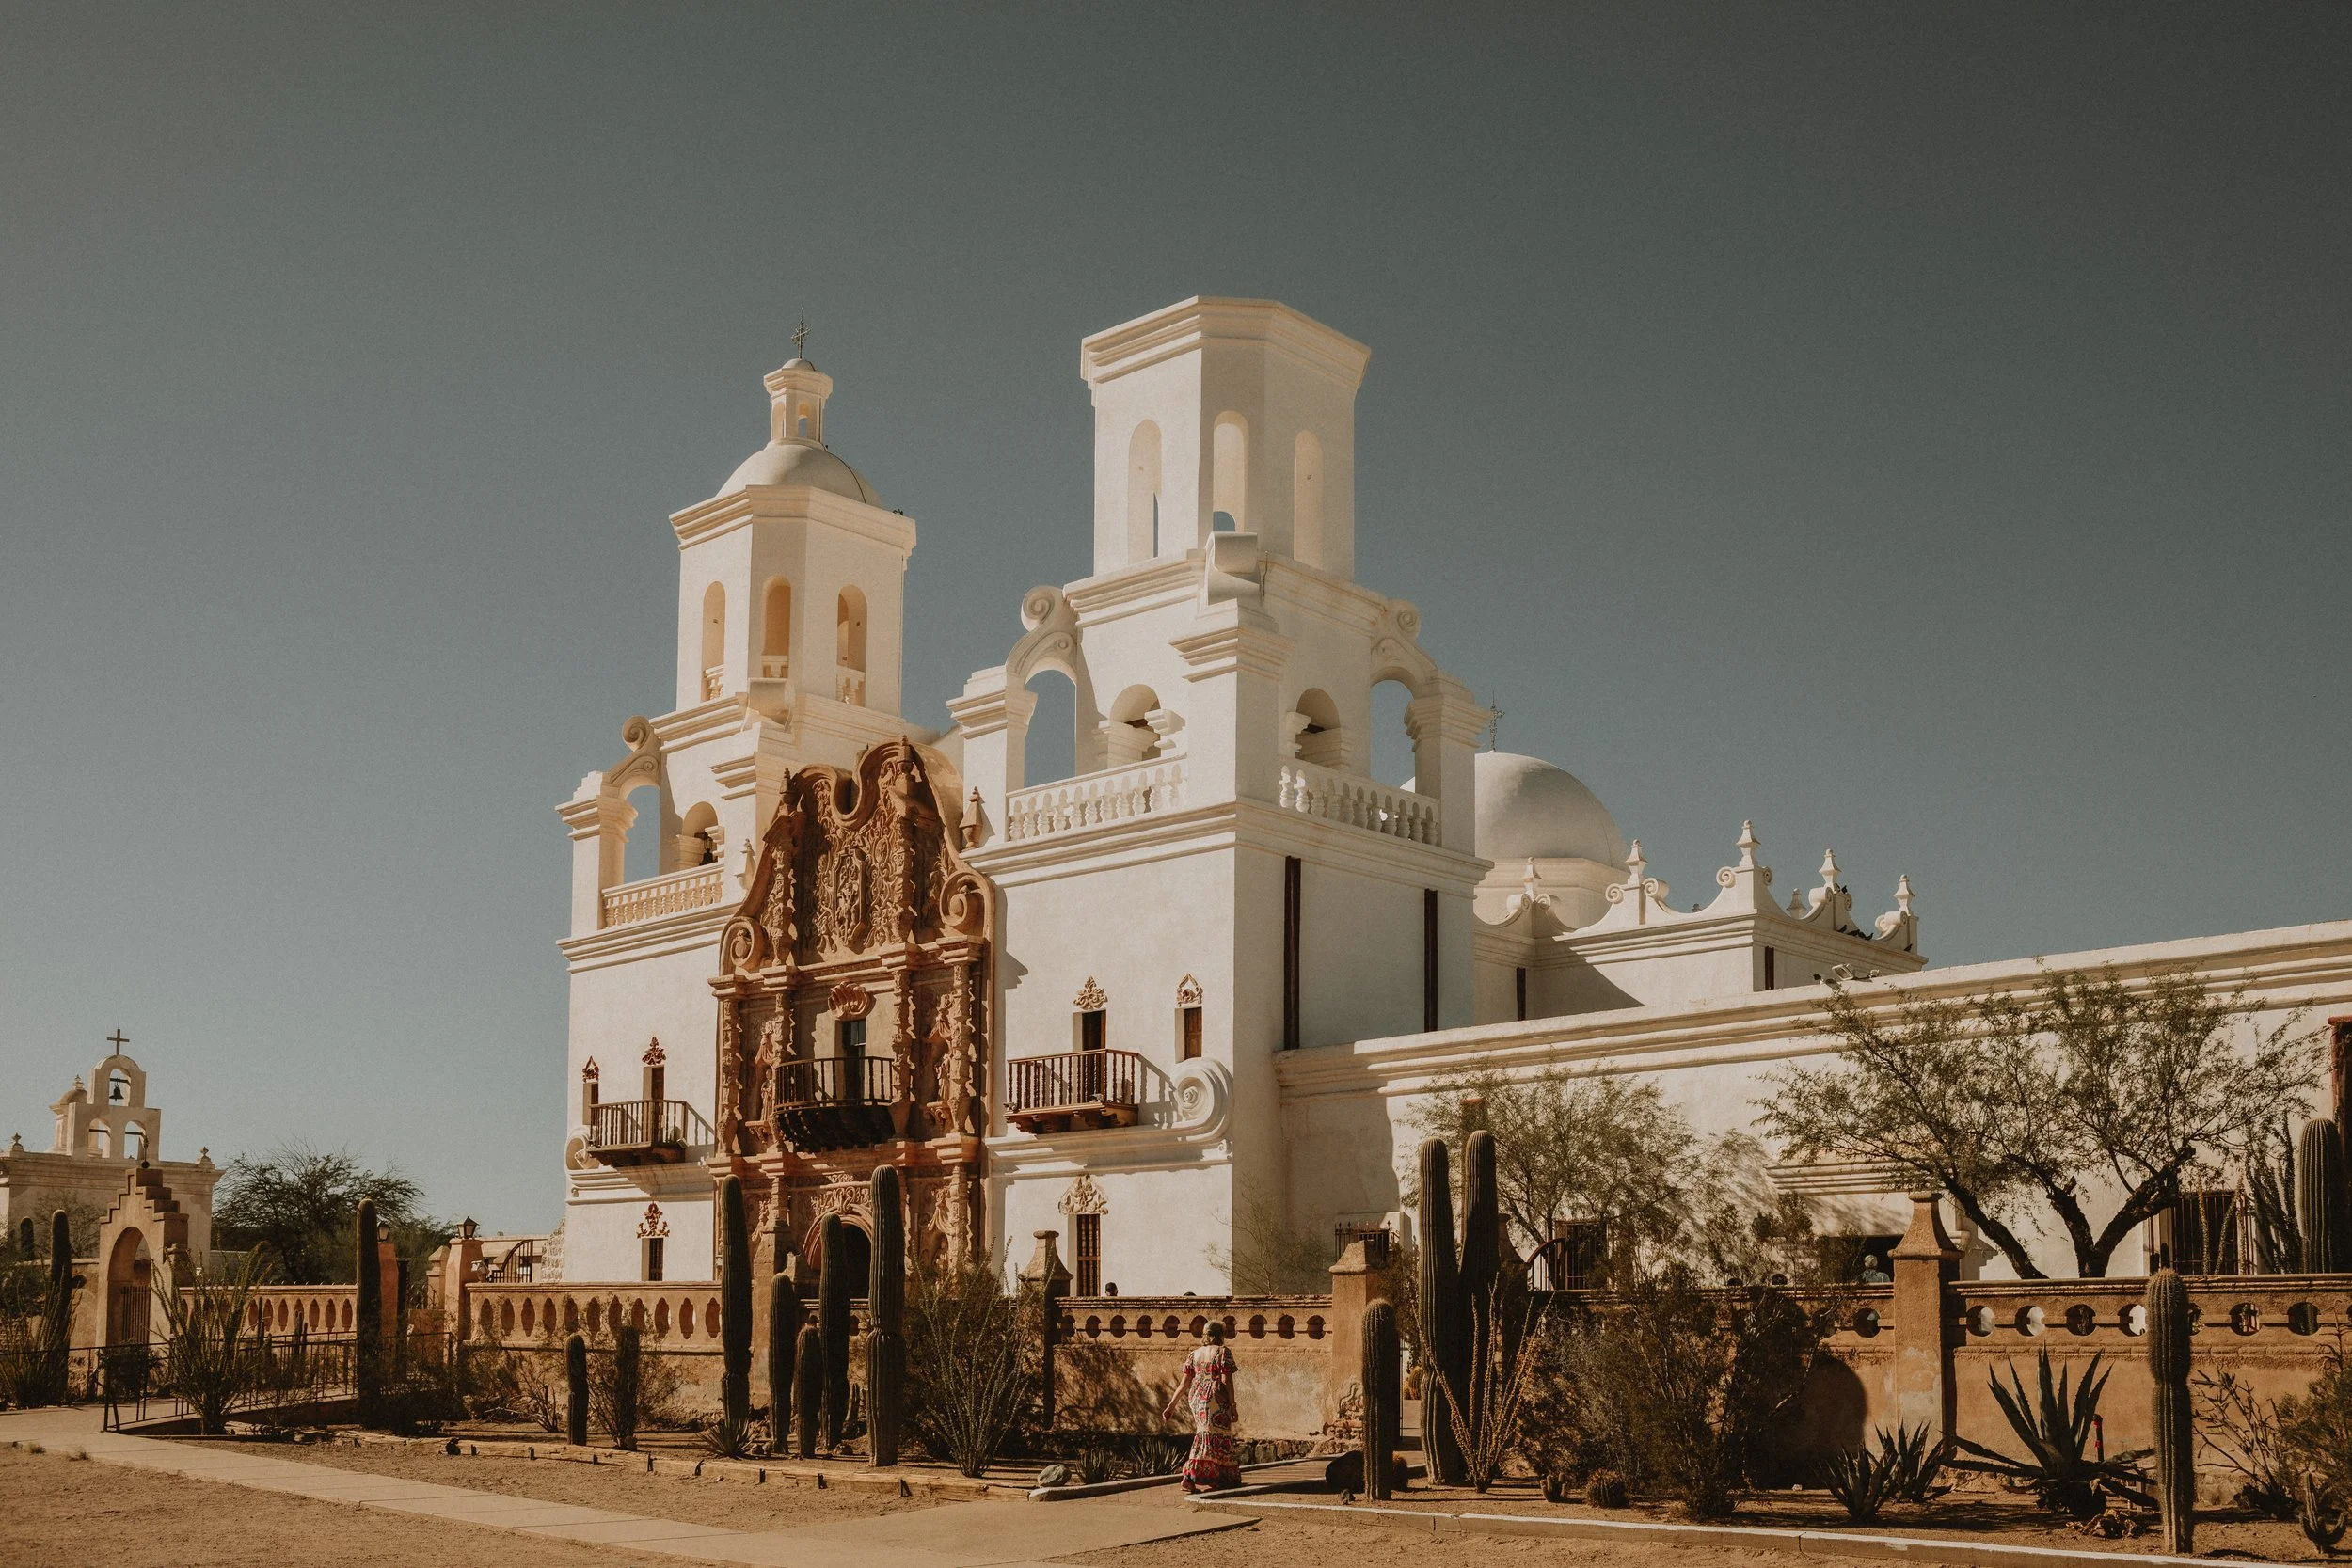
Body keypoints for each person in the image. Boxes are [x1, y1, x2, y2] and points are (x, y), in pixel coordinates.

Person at [1163, 1321, 1241, 1493]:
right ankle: (1196, 1477)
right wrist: (1233, 1405)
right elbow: (1226, 1381)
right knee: (1217, 1436)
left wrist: (1171, 1406)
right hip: (1215, 1398)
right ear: (1220, 1335)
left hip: (1196, 1397)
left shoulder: (1194, 1354)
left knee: (1204, 1434)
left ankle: (1202, 1477)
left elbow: (1184, 1384)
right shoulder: (1222, 1352)